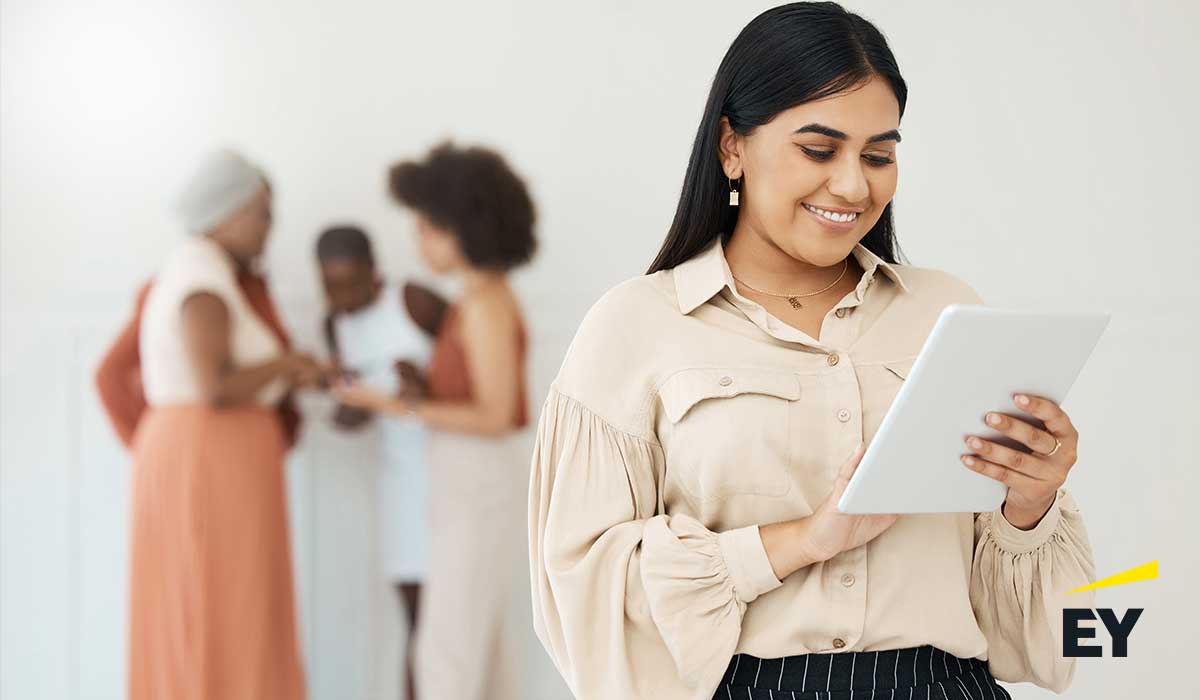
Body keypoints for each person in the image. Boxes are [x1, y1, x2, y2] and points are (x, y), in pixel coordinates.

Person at [527, 4, 1096, 700]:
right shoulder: (637, 326)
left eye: (879, 155)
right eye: (819, 150)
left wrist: (1031, 501)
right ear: (732, 146)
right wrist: (801, 540)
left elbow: (1062, 637)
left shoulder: (947, 311)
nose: (854, 186)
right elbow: (581, 598)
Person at [334, 142, 536, 700]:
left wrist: (396, 405)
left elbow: (495, 414)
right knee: (471, 644)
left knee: (448, 649)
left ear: (459, 228)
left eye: (425, 226)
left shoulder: (486, 305)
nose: (418, 239)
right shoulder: (476, 300)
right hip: (467, 482)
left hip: (478, 481)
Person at [123, 150, 322, 700]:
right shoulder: (201, 280)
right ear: (227, 213)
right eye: (261, 213)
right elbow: (214, 385)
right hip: (208, 463)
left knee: (232, 603)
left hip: (216, 463)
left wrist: (289, 372)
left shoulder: (211, 275)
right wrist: (285, 364)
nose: (268, 228)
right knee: (216, 604)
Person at [316, 224, 448, 700]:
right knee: (416, 618)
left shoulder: (413, 301)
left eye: (350, 283)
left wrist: (423, 384)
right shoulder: (335, 324)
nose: (342, 297)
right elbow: (352, 415)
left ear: (375, 272)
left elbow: (470, 371)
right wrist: (350, 404)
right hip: (401, 482)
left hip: (450, 470)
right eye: (330, 287)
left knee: (450, 619)